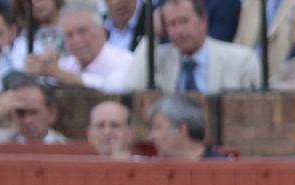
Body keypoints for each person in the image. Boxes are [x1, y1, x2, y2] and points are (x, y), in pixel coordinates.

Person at [133, 0, 261, 91]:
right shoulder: (161, 58)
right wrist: (152, 35)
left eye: (184, 21)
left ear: (203, 21)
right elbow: (133, 85)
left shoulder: (242, 59)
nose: (179, 31)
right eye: (172, 24)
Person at [44, 0, 135, 91]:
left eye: (82, 32)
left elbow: (112, 88)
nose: (76, 40)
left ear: (102, 32)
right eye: (69, 34)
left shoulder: (125, 61)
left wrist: (71, 78)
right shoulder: (65, 65)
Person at [0, 77, 67, 143]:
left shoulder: (64, 146)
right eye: (20, 113)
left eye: (33, 112)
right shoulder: (2, 142)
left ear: (52, 113)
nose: (27, 120)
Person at [148, 91, 229, 157]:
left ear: (181, 130)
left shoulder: (222, 171)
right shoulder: (158, 171)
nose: (151, 137)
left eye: (157, 128)